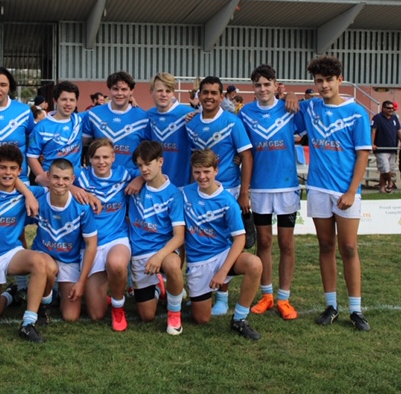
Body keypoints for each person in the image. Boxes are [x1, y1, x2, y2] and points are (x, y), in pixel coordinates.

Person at [295, 55, 371, 331]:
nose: (324, 85)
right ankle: (331, 305)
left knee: (349, 247)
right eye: (319, 81)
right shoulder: (311, 107)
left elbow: (363, 154)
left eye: (328, 80)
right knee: (325, 246)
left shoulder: (357, 112)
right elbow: (288, 111)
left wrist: (352, 191)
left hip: (346, 191)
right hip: (317, 188)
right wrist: (291, 100)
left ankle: (356, 309)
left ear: (340, 80)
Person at [0, 144, 57, 343]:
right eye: (3, 167)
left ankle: (29, 322)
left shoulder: (31, 193)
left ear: (20, 171)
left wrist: (84, 194)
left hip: (12, 254)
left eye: (13, 168)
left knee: (44, 265)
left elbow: (59, 188)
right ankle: (12, 294)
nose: (7, 172)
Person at [185, 75, 254, 316]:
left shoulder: (233, 122)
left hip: (229, 190)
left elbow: (245, 156)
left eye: (215, 93)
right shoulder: (190, 123)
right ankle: (198, 289)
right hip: (201, 191)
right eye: (205, 92)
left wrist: (244, 192)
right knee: (201, 239)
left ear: (222, 96)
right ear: (199, 95)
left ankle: (222, 297)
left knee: (226, 244)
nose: (209, 97)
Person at [239, 64, 300, 320]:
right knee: (263, 242)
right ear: (253, 88)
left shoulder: (290, 109)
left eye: (267, 84)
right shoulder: (245, 113)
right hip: (260, 187)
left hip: (287, 186)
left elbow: (315, 110)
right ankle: (267, 295)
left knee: (286, 243)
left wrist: (295, 96)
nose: (262, 89)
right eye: (258, 85)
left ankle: (284, 298)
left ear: (276, 85)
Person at [182, 149, 262, 339]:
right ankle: (193, 297)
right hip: (197, 262)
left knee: (255, 264)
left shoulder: (227, 201)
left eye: (206, 171)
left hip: (221, 255)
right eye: (197, 172)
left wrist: (223, 271)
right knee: (202, 319)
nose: (202, 177)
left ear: (216, 170)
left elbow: (240, 239)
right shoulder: (184, 194)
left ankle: (240, 319)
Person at [75, 138, 135, 331]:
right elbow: (44, 178)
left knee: (116, 264)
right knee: (96, 314)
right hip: (90, 245)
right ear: (89, 159)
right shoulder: (80, 176)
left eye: (106, 157)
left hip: (116, 238)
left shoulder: (123, 174)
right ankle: (105, 293)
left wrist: (140, 179)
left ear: (113, 157)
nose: (101, 162)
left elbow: (148, 173)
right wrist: (73, 188)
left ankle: (118, 307)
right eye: (97, 157)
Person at [127, 141, 185, 335]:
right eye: (140, 165)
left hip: (164, 250)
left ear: (160, 161)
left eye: (148, 164)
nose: (144, 169)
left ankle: (174, 314)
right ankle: (158, 289)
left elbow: (179, 237)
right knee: (147, 316)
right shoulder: (133, 185)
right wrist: (138, 179)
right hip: (139, 253)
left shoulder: (174, 194)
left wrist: (159, 256)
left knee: (172, 265)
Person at [32, 158, 98, 322]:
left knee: (71, 316)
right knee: (48, 267)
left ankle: (55, 292)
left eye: (65, 178)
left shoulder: (82, 206)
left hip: (69, 260)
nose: (60, 182)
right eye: (56, 177)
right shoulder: (38, 198)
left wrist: (81, 282)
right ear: (48, 176)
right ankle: (45, 300)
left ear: (72, 180)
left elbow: (91, 244)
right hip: (44, 257)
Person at [82, 71, 150, 171]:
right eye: (115, 89)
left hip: (130, 180)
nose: (119, 93)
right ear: (109, 90)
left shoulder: (143, 118)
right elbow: (80, 145)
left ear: (131, 91)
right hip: (99, 180)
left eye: (124, 89)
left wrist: (139, 179)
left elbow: (148, 154)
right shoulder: (93, 114)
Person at [28, 81, 84, 185]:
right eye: (64, 99)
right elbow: (32, 156)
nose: (68, 104)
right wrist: (43, 178)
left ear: (76, 102)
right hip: (53, 182)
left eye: (72, 100)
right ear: (55, 100)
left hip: (75, 181)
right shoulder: (41, 127)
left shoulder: (80, 120)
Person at [147, 72, 195, 187]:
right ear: (151, 92)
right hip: (155, 185)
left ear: (173, 93)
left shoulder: (188, 115)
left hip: (183, 185)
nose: (164, 95)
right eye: (159, 91)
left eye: (168, 91)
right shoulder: (148, 115)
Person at [371, 100, 401, 193]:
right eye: (389, 108)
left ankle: (382, 188)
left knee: (390, 170)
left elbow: (399, 131)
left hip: (392, 149)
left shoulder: (394, 118)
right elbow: (373, 131)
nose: (391, 110)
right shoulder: (377, 118)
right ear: (383, 108)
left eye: (392, 108)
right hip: (381, 149)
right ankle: (390, 182)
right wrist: (372, 143)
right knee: (385, 169)